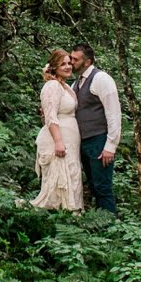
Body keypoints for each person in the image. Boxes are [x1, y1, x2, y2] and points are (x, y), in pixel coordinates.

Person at [70, 42, 121, 214]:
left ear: (87, 62)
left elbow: (114, 113)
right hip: (83, 142)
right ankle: (98, 222)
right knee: (93, 185)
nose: (71, 62)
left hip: (99, 140)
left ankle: (110, 223)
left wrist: (110, 146)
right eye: (71, 58)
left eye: (75, 59)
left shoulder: (101, 79)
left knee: (102, 186)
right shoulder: (76, 83)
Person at [30, 49, 83, 211]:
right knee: (60, 179)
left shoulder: (64, 86)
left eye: (69, 63)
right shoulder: (52, 86)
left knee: (72, 175)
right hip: (58, 139)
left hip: (70, 139)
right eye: (63, 64)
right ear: (54, 67)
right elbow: (51, 116)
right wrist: (58, 142)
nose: (68, 67)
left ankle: (72, 213)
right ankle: (59, 214)